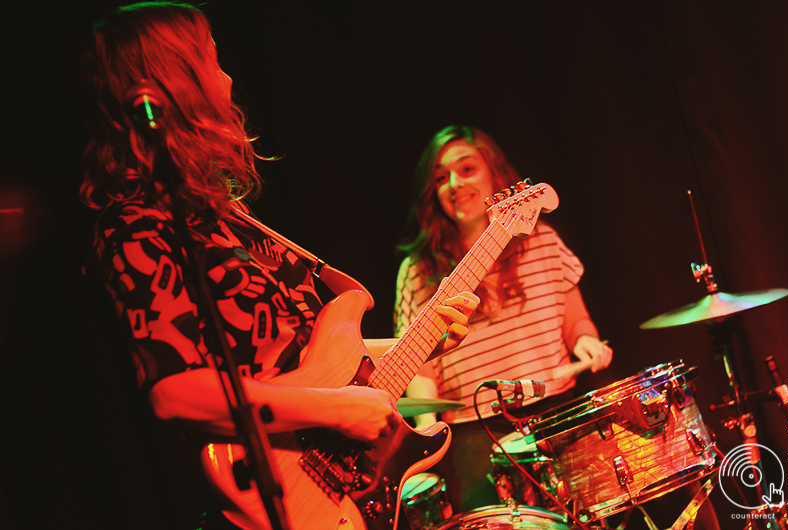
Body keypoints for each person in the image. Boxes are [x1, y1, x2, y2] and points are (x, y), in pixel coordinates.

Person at [79, 4, 478, 529]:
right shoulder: (133, 226)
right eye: (211, 60)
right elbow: (174, 390)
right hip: (278, 486)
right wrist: (336, 411)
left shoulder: (221, 215)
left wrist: (418, 342)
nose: (225, 77)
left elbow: (298, 357)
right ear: (178, 83)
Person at [394, 125, 613, 514]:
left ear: (495, 174)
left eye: (467, 169)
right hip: (472, 432)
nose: (454, 184)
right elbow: (419, 371)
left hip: (553, 413)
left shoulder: (542, 240)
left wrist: (586, 341)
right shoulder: (416, 270)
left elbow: (576, 322)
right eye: (441, 178)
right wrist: (427, 433)